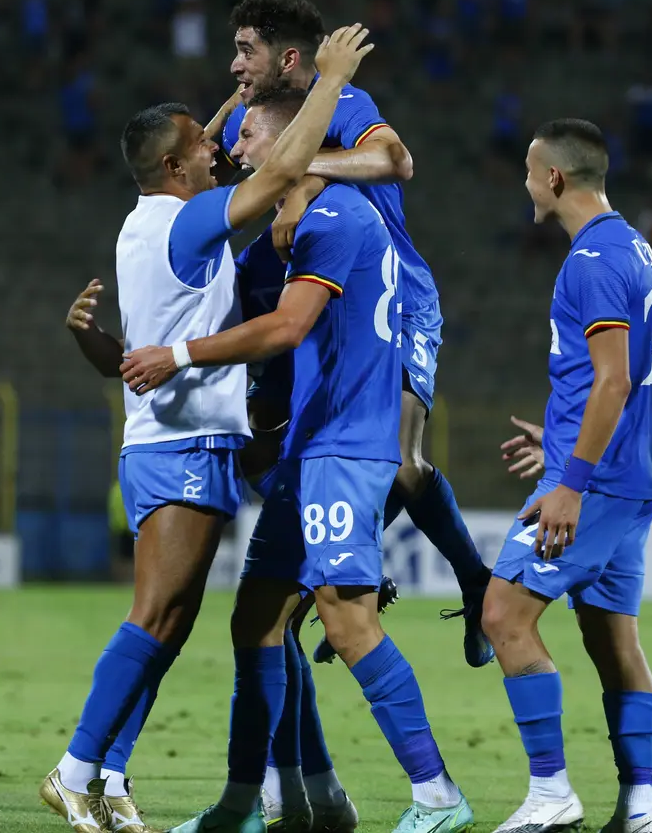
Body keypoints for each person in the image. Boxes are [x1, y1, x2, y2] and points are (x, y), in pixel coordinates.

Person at [39, 24, 374, 833]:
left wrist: (241, 94)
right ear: (172, 167)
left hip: (185, 440)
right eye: (202, 144)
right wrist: (329, 80)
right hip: (182, 445)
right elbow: (282, 170)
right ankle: (74, 771)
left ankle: (110, 776)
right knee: (155, 617)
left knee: (171, 625)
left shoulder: (147, 219)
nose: (217, 147)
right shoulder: (187, 224)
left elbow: (204, 139)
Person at [122, 88, 476, 833]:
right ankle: (242, 804)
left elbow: (286, 328)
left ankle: (439, 796)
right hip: (309, 447)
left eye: (250, 137)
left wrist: (176, 354)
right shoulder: (294, 223)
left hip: (346, 442)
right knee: (256, 620)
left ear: (292, 146)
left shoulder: (339, 217)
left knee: (347, 623)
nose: (235, 150)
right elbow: (233, 290)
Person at [213, 0, 493, 667]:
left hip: (392, 301)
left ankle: (475, 583)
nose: (234, 64)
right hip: (311, 295)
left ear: (288, 58)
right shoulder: (253, 117)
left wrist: (303, 173)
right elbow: (204, 153)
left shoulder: (343, 102)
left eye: (246, 51)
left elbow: (395, 160)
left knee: (399, 459)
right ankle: (338, 567)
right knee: (263, 445)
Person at [481, 119, 652, 833]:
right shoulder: (640, 251)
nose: (526, 184)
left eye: (530, 172)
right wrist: (562, 434)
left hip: (594, 483)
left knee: (503, 615)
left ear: (554, 178)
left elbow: (614, 380)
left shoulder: (590, 260)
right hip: (634, 475)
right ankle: (641, 807)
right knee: (612, 639)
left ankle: (551, 792)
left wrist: (572, 479)